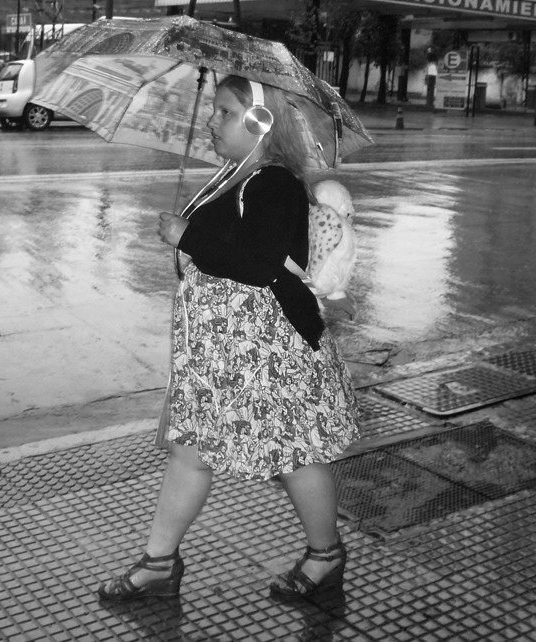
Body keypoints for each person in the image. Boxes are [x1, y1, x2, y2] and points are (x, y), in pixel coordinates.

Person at [98, 74, 359, 605]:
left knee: (295, 455)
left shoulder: (275, 181)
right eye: (214, 110)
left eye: (223, 112)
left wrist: (185, 235)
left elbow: (258, 263)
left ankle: (325, 556)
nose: (211, 122)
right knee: (189, 448)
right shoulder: (231, 175)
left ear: (261, 121)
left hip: (265, 349)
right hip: (218, 349)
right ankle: (159, 562)